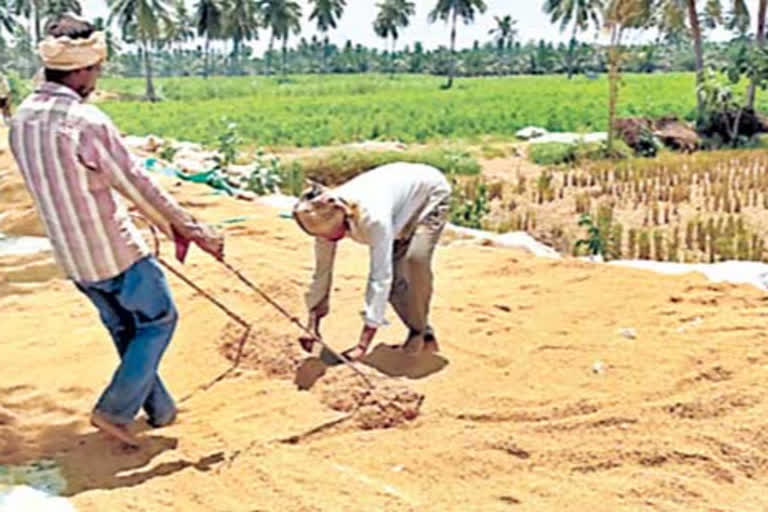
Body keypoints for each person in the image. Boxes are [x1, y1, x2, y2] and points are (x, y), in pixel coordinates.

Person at [8, 15, 224, 447]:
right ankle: (114, 411)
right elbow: (136, 185)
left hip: (72, 257)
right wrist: (192, 229)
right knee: (160, 319)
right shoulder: (84, 120)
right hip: (114, 251)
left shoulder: (22, 118)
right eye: (97, 69)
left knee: (127, 328)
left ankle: (160, 410)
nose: (97, 77)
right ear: (84, 69)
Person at [292, 163, 452, 361]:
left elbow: (380, 277)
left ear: (343, 219)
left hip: (428, 194)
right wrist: (312, 324)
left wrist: (362, 344)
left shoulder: (373, 219)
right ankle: (421, 329)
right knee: (394, 286)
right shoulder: (319, 215)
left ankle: (420, 332)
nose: (329, 240)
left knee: (415, 261)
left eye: (333, 235)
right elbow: (322, 273)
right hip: (396, 206)